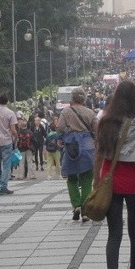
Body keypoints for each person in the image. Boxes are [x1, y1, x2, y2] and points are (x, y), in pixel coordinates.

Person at [94, 80, 135, 269]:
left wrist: (96, 182)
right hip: (134, 184)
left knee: (114, 233)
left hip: (111, 182)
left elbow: (99, 154)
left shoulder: (105, 122)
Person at [57, 87, 98, 221]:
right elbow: (96, 130)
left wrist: (62, 137)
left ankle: (76, 205)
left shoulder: (66, 112)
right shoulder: (90, 112)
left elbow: (60, 127)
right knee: (87, 178)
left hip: (72, 145)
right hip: (87, 144)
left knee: (72, 177)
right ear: (83, 99)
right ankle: (85, 211)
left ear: (72, 98)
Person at [0, 93, 18, 195]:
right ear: (7, 101)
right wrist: (16, 137)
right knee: (6, 165)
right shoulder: (10, 113)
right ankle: (3, 186)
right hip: (7, 141)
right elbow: (13, 129)